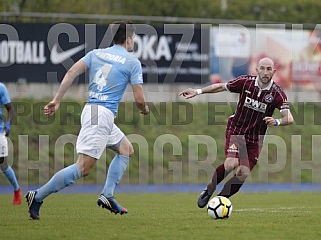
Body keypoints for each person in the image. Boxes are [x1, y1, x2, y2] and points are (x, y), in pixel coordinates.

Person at [25, 21, 149, 220]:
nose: (133, 41)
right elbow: (140, 100)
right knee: (83, 168)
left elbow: (71, 72)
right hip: (101, 116)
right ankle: (37, 196)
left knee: (126, 149)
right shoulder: (132, 62)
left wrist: (56, 100)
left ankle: (107, 195)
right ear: (128, 39)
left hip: (93, 111)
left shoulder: (96, 53)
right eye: (133, 37)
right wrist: (145, 110)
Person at [179, 57, 294, 208]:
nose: (265, 72)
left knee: (243, 173)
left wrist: (277, 122)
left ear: (274, 71)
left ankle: (219, 201)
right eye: (262, 68)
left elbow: (289, 118)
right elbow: (220, 87)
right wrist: (198, 91)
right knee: (230, 164)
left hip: (255, 139)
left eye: (268, 69)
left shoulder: (277, 94)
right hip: (237, 130)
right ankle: (209, 190)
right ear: (256, 69)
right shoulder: (245, 82)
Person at [0, 82, 22, 205]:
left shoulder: (1, 88)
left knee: (2, 164)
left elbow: (10, 108)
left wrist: (8, 125)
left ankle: (17, 190)